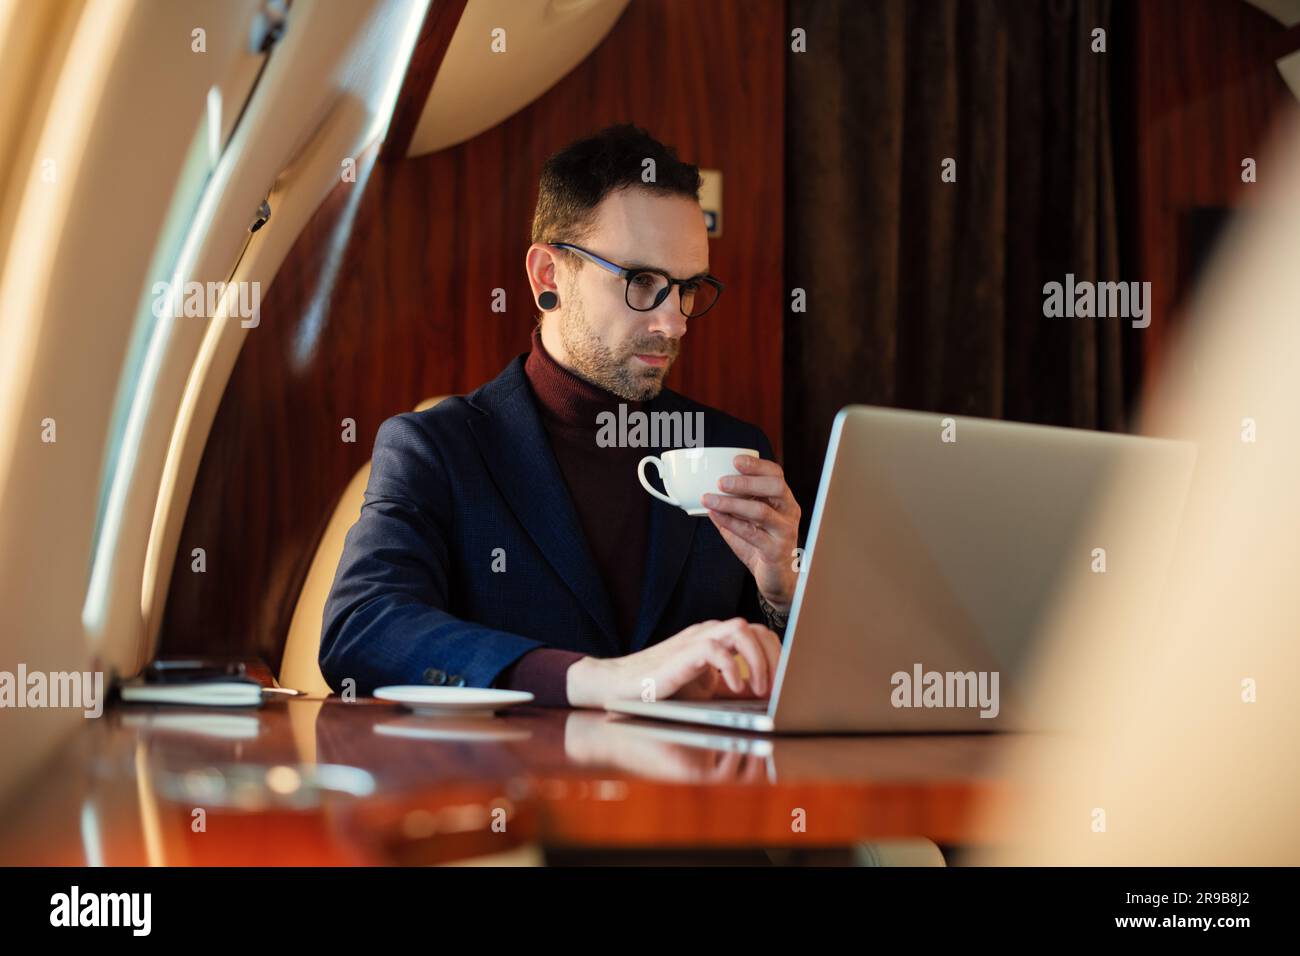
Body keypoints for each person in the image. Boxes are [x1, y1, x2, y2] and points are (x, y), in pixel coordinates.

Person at [320, 124, 801, 708]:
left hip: (691, 792)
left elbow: (790, 682)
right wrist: (597, 681)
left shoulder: (732, 446)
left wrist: (782, 594)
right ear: (548, 277)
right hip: (512, 794)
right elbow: (362, 628)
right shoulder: (435, 448)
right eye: (642, 281)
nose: (673, 323)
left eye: (687, 288)